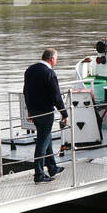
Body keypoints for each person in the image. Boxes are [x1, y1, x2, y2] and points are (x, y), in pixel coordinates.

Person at [23, 48, 69, 183]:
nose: (56, 62)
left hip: (34, 111)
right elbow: (56, 96)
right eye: (56, 59)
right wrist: (64, 114)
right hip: (46, 112)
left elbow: (26, 91)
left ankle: (52, 167)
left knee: (46, 137)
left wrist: (29, 110)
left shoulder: (30, 70)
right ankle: (38, 174)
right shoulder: (49, 73)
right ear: (52, 59)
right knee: (42, 142)